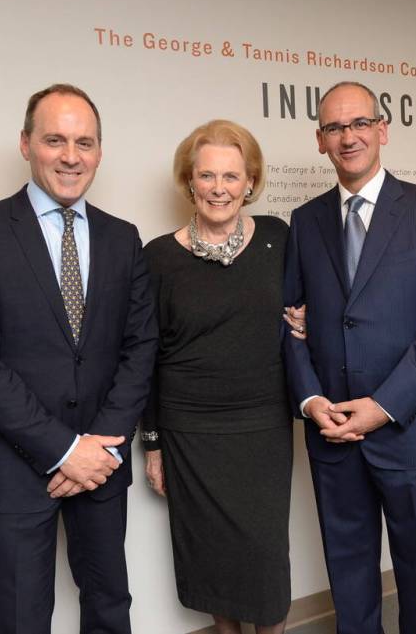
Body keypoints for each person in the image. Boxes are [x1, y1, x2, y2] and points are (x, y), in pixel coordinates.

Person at [0, 83, 158, 634]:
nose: (70, 156)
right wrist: (64, 450)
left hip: (102, 463)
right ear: (26, 143)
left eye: (84, 143)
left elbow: (140, 347)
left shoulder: (123, 238)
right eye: (54, 140)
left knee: (110, 608)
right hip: (12, 468)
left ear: (100, 152)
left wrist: (102, 446)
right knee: (20, 620)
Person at [282, 81, 416, 634]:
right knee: (349, 576)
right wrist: (312, 401)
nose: (349, 137)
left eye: (360, 123)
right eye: (335, 128)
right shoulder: (305, 221)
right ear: (320, 139)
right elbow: (290, 325)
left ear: (382, 130)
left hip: (410, 429)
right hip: (332, 430)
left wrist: (382, 406)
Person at [141, 120, 305, 634]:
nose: (218, 188)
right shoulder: (157, 257)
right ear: (189, 181)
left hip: (262, 428)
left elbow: (311, 304)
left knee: (265, 563)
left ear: (250, 181)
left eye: (231, 176)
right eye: (207, 175)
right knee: (211, 559)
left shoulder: (278, 238)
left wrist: (310, 321)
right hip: (190, 433)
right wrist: (152, 444)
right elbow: (146, 357)